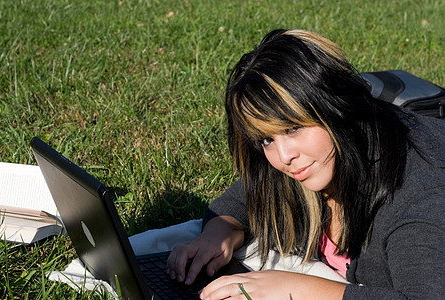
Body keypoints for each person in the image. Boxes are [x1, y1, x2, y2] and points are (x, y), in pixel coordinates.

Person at [166, 29, 445, 299]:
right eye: (266, 139)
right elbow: (244, 200)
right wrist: (219, 234)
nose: (283, 156)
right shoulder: (308, 160)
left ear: (334, 108)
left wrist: (296, 289)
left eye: (292, 129)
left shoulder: (419, 195)